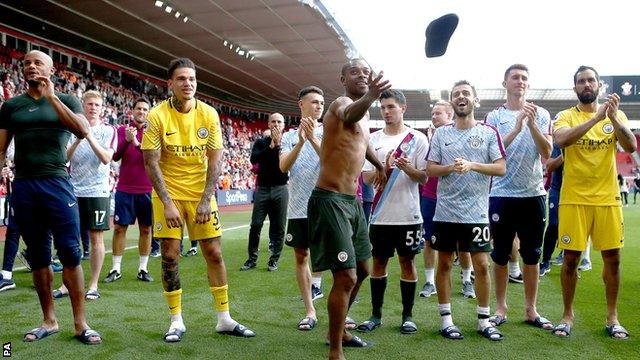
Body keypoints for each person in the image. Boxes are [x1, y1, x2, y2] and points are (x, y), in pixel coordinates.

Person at [142, 58, 254, 343]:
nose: (187, 84)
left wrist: (206, 200)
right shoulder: (157, 115)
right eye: (181, 79)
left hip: (200, 193)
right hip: (168, 193)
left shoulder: (208, 114)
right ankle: (176, 320)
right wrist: (167, 202)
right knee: (169, 255)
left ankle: (224, 318)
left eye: (191, 79)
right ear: (170, 84)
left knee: (214, 253)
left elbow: (215, 160)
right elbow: (151, 163)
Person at [0, 50, 101, 344]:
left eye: (38, 63)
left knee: (70, 252)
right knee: (39, 256)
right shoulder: (11, 106)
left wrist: (52, 96)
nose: (31, 66)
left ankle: (81, 324)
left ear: (51, 69)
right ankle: (49, 320)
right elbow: (1, 148)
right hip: (24, 185)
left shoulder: (67, 100)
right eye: (27, 63)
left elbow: (82, 130)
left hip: (57, 182)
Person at [307, 58, 388, 359]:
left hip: (351, 201)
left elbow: (360, 138)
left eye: (366, 73)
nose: (362, 76)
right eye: (355, 72)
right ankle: (335, 350)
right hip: (329, 200)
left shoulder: (364, 115)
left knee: (364, 270)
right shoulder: (340, 103)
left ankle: (336, 330)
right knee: (346, 277)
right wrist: (371, 97)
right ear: (342, 79)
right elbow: (350, 115)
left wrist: (378, 162)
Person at [552, 65, 636, 339]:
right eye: (581, 81)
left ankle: (612, 317)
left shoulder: (617, 114)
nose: (586, 84)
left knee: (612, 259)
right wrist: (597, 118)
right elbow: (562, 139)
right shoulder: (566, 116)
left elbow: (631, 146)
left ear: (599, 85)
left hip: (607, 199)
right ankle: (567, 315)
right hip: (574, 198)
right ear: (574, 87)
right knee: (570, 260)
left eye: (591, 80)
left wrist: (615, 119)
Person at [427, 80, 506, 341]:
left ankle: (484, 320)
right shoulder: (441, 134)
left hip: (476, 213)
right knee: (445, 263)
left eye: (465, 93)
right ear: (452, 102)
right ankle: (446, 320)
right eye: (456, 94)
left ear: (475, 100)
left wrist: (471, 165)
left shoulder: (488, 132)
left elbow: (500, 168)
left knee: (482, 265)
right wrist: (451, 167)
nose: (461, 97)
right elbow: (431, 170)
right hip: (446, 213)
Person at [484, 64, 553, 331]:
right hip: (501, 193)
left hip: (533, 194)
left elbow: (546, 151)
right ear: (505, 83)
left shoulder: (542, 114)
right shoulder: (494, 116)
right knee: (500, 255)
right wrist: (516, 126)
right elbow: (493, 152)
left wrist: (533, 124)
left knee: (532, 255)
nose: (520, 81)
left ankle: (530, 310)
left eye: (524, 78)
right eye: (515, 77)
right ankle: (500, 308)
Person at [356, 89, 428, 335]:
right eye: (383, 107)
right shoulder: (373, 140)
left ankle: (408, 316)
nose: (386, 112)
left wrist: (407, 168)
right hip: (380, 216)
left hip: (409, 215)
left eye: (391, 107)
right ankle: (376, 314)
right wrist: (381, 169)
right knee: (378, 262)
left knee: (408, 262)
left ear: (402, 108)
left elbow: (424, 177)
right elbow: (365, 179)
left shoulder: (417, 138)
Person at [53, 90, 116, 301]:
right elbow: (64, 159)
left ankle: (93, 284)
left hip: (97, 192)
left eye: (96, 105)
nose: (92, 108)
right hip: (73, 189)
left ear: (102, 108)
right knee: (70, 239)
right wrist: (79, 138)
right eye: (89, 104)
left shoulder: (108, 131)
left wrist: (89, 135)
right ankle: (65, 285)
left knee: (96, 239)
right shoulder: (71, 129)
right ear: (83, 105)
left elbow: (106, 158)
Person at [279, 85, 325, 331]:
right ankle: (309, 310)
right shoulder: (288, 136)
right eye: (314, 102)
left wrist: (314, 139)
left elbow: (330, 161)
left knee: (330, 258)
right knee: (301, 257)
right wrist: (300, 142)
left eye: (321, 102)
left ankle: (339, 310)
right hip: (298, 206)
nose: (319, 106)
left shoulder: (329, 131)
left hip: (325, 206)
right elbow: (284, 167)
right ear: (301, 105)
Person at [419, 101, 475, 299]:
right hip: (431, 195)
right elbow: (428, 169)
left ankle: (467, 280)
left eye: (438, 114)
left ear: (450, 116)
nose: (434, 117)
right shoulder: (433, 138)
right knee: (428, 239)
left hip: (457, 197)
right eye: (432, 113)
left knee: (463, 242)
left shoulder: (463, 136)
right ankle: (429, 281)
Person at [105, 97, 154, 283]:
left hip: (146, 189)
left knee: (146, 230)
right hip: (125, 188)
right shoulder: (122, 130)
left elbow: (151, 159)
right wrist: (126, 141)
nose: (141, 112)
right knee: (119, 229)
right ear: (132, 111)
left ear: (148, 113)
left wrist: (135, 143)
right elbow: (115, 157)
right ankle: (115, 268)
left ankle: (143, 268)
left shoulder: (152, 132)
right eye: (138, 108)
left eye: (144, 109)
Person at [241, 113, 288, 272]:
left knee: (279, 226)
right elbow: (254, 160)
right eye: (273, 121)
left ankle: (274, 259)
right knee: (255, 225)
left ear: (284, 125)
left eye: (279, 121)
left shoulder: (288, 143)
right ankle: (251, 259)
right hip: (262, 188)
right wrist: (271, 146)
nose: (276, 124)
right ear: (268, 124)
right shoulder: (261, 143)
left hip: (281, 188)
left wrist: (279, 145)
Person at [540, 144, 564, 276]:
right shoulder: (559, 144)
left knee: (573, 227)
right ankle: (545, 261)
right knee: (554, 224)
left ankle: (568, 258)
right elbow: (549, 166)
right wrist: (565, 154)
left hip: (577, 191)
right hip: (558, 189)